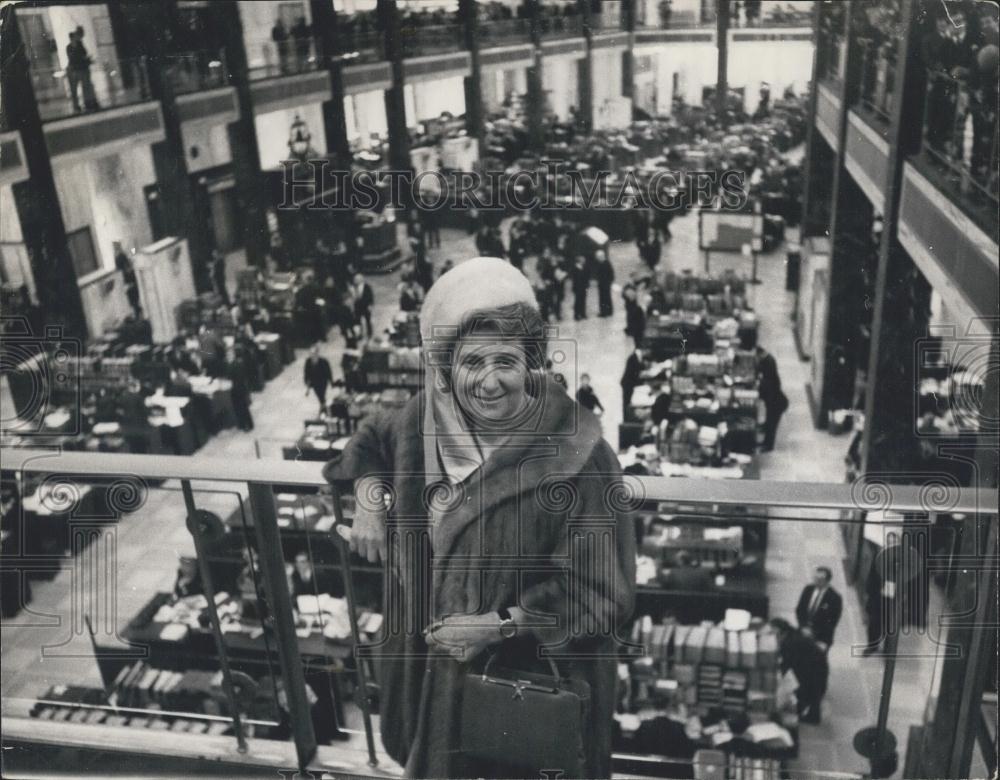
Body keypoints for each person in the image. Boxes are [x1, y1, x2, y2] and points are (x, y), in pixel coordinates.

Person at [323, 256, 636, 778]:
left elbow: (605, 595)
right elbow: (371, 437)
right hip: (427, 688)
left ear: (530, 361)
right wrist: (370, 499)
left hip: (518, 696)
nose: (489, 382)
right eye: (472, 363)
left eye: (505, 362)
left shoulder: (578, 456)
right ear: (446, 369)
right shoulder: (421, 423)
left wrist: (499, 626)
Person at [769, 618, 828, 725]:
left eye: (773, 631)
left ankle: (812, 717)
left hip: (814, 667)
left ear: (779, 630)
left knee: (811, 691)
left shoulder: (789, 642)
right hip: (815, 663)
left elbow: (789, 662)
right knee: (811, 692)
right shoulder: (791, 634)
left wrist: (779, 672)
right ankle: (807, 713)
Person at [795, 566, 843, 652]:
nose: (815, 580)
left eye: (818, 579)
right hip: (803, 632)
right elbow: (800, 610)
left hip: (821, 637)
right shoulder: (808, 589)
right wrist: (803, 627)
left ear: (826, 580)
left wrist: (813, 632)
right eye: (815, 577)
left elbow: (832, 622)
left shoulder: (835, 598)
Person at [756, 345, 788, 452]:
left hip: (777, 403)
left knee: (771, 425)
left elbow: (766, 387)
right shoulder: (768, 359)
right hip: (775, 400)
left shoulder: (768, 363)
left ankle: (768, 446)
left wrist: (759, 391)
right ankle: (765, 441)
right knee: (769, 423)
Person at [66, 27, 98, 113]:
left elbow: (81, 56)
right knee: (81, 87)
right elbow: (79, 57)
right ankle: (82, 104)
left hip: (77, 69)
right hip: (78, 69)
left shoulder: (75, 45)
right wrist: (87, 60)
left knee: (83, 87)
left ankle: (85, 103)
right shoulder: (73, 46)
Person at [228, 350, 255, 431]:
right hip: (240, 388)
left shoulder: (233, 365)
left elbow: (231, 377)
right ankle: (245, 424)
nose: (228, 357)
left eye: (229, 355)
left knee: (241, 408)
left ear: (233, 356)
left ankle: (246, 425)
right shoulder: (238, 363)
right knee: (242, 407)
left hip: (237, 389)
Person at [114, 242, 142, 317]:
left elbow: (133, 250)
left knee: (134, 302)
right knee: (134, 302)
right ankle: (137, 310)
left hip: (132, 290)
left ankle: (137, 310)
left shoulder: (127, 270)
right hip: (132, 290)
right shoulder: (128, 270)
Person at [303, 346, 334, 415]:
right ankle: (323, 407)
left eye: (314, 353)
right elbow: (306, 372)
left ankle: (323, 409)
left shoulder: (323, 361)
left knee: (321, 395)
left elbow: (328, 372)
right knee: (319, 395)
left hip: (323, 381)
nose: (312, 355)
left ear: (317, 353)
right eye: (311, 353)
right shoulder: (308, 361)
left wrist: (331, 382)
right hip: (314, 382)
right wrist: (306, 381)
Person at [620, 346, 645, 420]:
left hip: (629, 383)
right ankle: (627, 419)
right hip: (628, 384)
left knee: (628, 401)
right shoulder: (633, 359)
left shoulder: (635, 357)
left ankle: (627, 418)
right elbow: (633, 373)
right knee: (627, 402)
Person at [351, 272, 374, 338]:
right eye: (355, 279)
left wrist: (370, 305)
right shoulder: (354, 287)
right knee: (358, 321)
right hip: (358, 307)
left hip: (366, 306)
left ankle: (369, 333)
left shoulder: (367, 287)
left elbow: (371, 296)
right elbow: (353, 297)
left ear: (361, 279)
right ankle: (359, 334)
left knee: (368, 320)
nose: (355, 281)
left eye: (357, 279)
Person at [593, 249, 614, 317]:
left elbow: (611, 273)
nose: (597, 258)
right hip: (602, 284)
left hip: (605, 284)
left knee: (604, 298)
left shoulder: (606, 263)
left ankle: (604, 312)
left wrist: (609, 281)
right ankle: (608, 311)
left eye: (598, 257)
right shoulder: (604, 263)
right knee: (606, 298)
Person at [571, 255, 589, 321]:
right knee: (577, 301)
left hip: (584, 287)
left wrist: (587, 286)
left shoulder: (585, 267)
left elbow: (587, 278)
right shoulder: (575, 268)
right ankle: (576, 315)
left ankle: (583, 314)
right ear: (579, 261)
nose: (584, 261)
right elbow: (574, 279)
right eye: (583, 260)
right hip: (577, 288)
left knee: (583, 301)